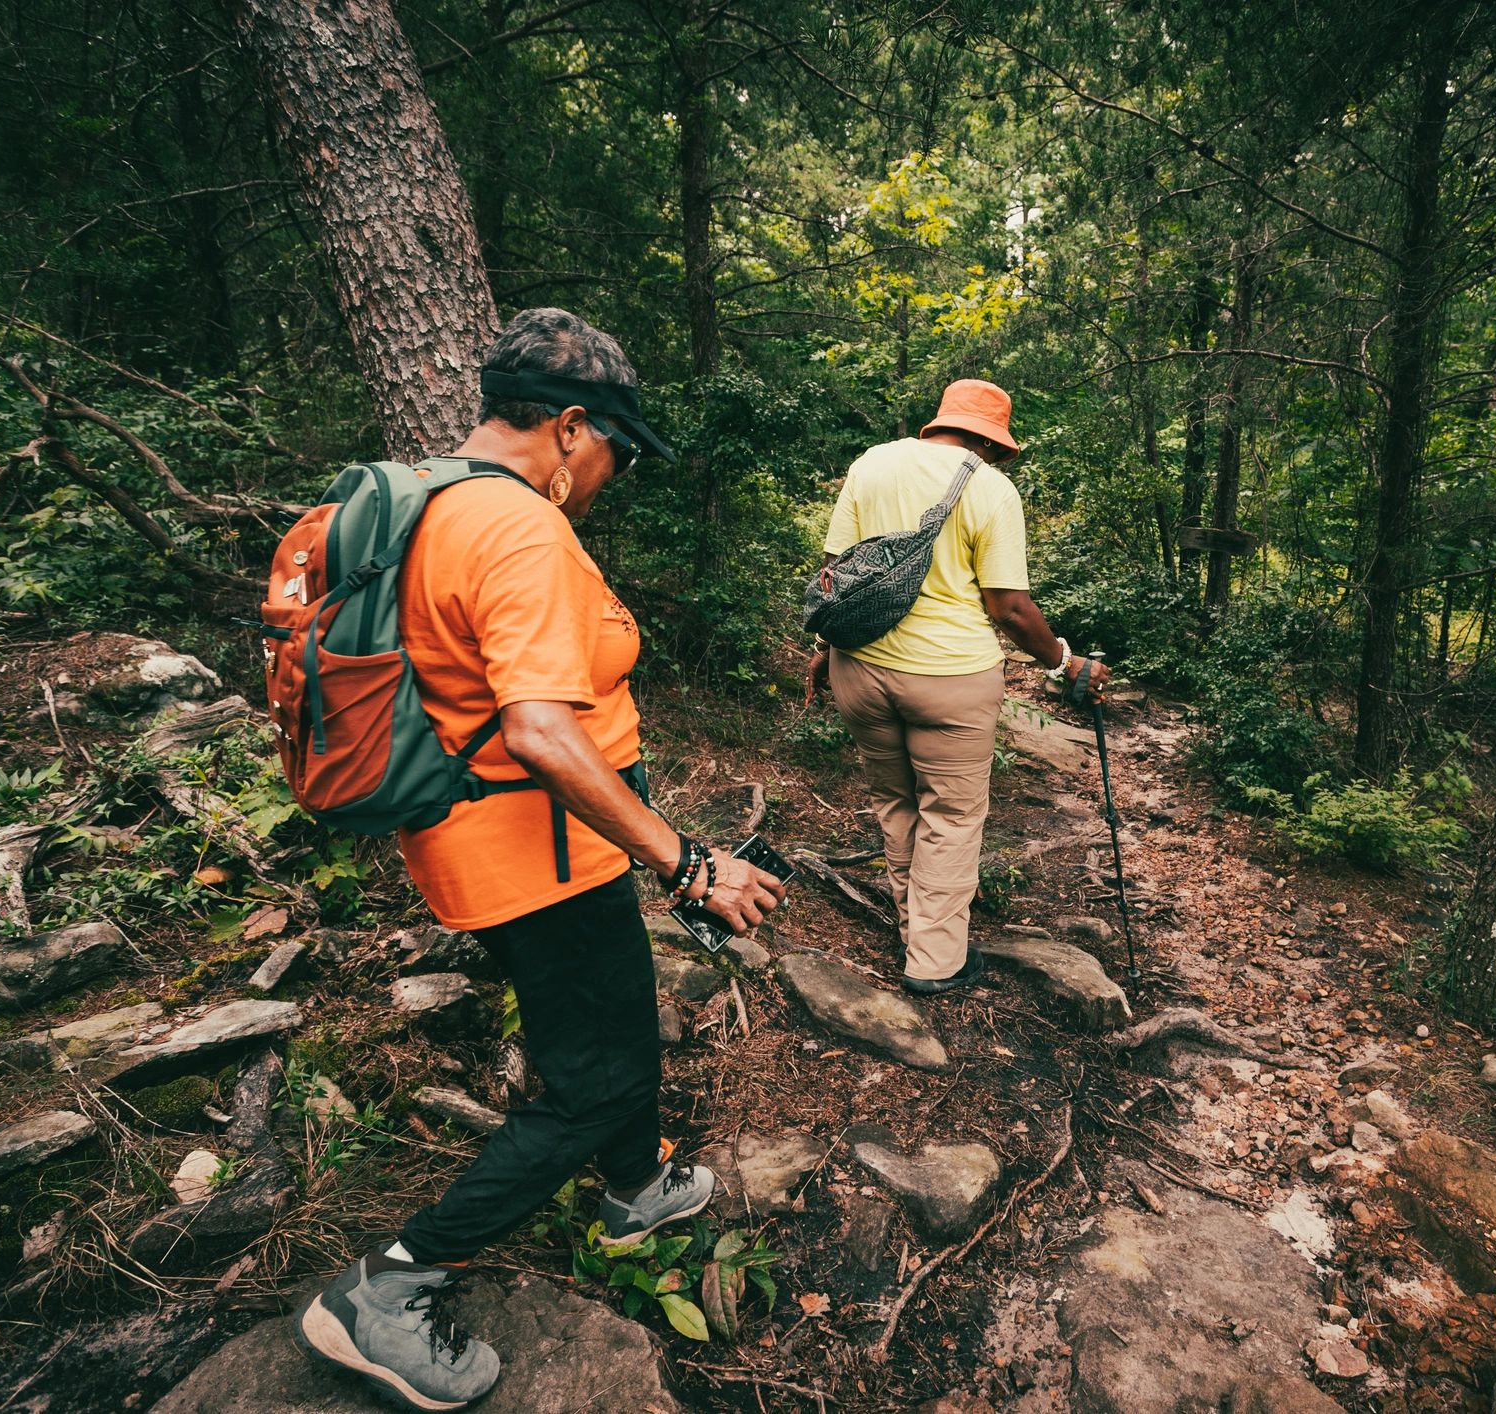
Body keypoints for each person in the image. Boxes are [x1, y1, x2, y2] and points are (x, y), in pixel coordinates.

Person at [294, 308, 786, 1412]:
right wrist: (688, 862)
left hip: (500, 843)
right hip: (540, 853)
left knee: (617, 1005)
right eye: (612, 448)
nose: (612, 472)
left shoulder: (433, 505)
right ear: (569, 427)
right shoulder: (514, 528)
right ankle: (387, 1287)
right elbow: (542, 729)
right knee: (591, 1073)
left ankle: (634, 1189)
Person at [806, 379, 1109, 996]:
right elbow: (1011, 608)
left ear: (941, 422)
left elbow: (836, 577)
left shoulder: (872, 464)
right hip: (950, 679)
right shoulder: (991, 488)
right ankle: (935, 960)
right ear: (993, 440)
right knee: (951, 816)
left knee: (895, 802)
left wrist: (823, 650)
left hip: (858, 669)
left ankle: (912, 924)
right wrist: (1064, 662)